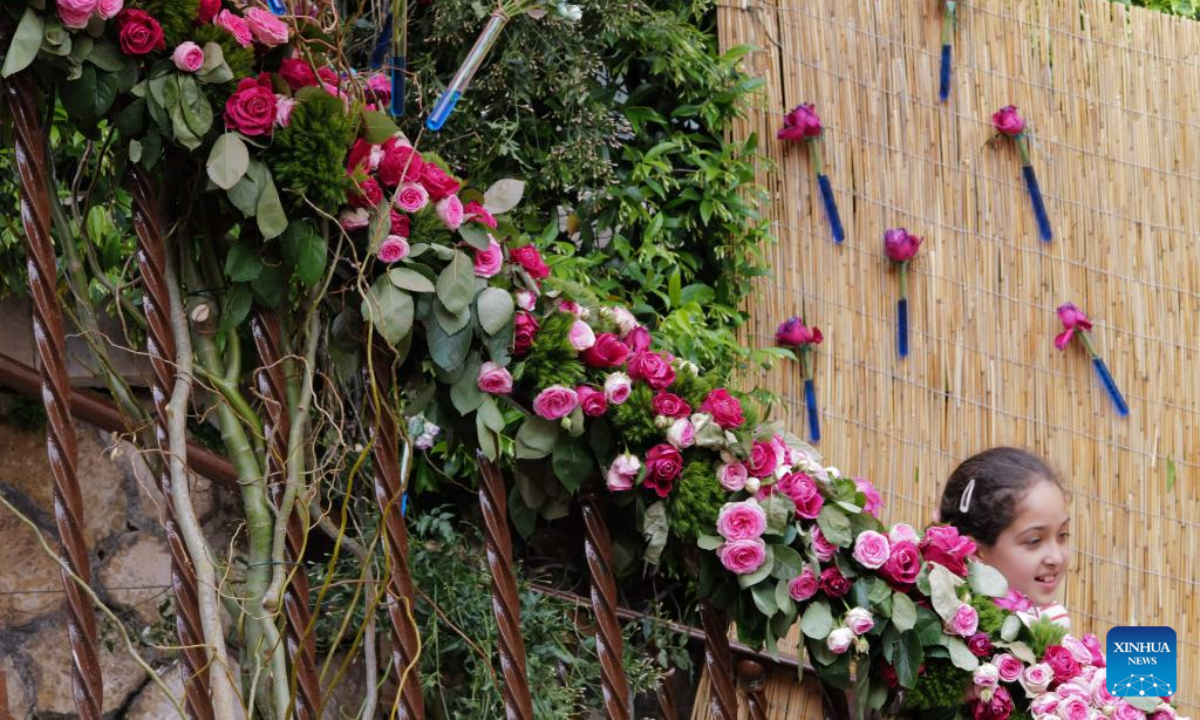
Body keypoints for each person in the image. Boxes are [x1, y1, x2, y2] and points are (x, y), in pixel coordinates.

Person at [937, 447, 1072, 629]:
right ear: (975, 551)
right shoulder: (938, 625)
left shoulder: (1052, 624)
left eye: (1062, 535)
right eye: (1034, 541)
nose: (1056, 558)